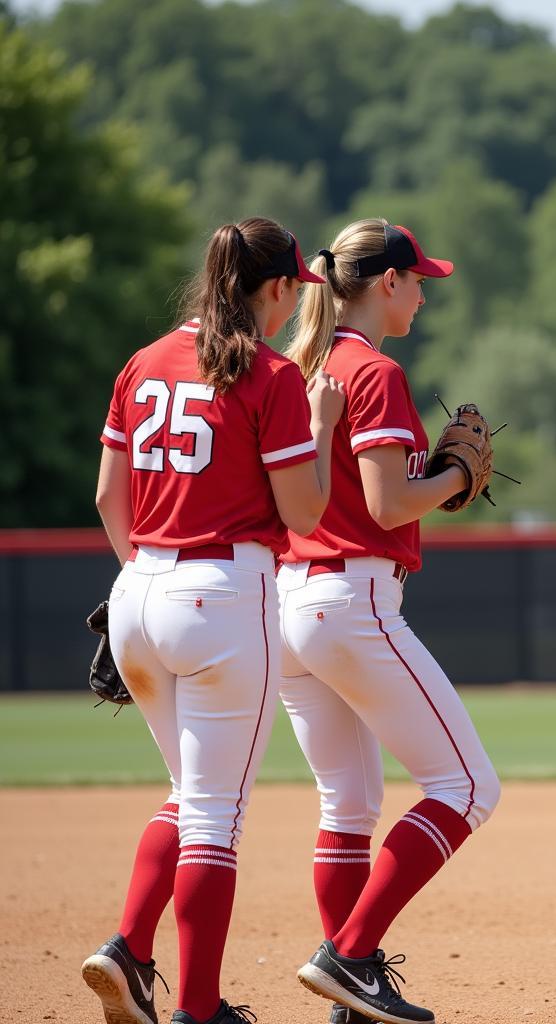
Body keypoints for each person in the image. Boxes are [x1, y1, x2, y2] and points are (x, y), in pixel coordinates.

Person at [82, 218, 345, 1024]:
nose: (294, 300)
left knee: (193, 796)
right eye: (292, 287)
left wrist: (148, 581)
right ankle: (199, 1011)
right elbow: (305, 512)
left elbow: (106, 498)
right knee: (214, 820)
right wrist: (325, 426)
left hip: (137, 594)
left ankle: (130, 951)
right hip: (223, 598)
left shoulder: (144, 361)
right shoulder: (267, 376)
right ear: (274, 288)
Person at [276, 219, 500, 1024]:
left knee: (347, 807)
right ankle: (352, 953)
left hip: (290, 601)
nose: (425, 291)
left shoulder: (304, 363)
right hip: (352, 597)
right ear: (386, 284)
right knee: (469, 786)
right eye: (418, 278)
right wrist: (451, 474)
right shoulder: (371, 371)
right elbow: (388, 503)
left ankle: (348, 997)